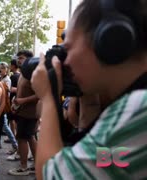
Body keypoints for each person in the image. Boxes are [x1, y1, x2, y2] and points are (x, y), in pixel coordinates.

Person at [32, 0, 147, 179]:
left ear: (109, 40)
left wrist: (48, 97)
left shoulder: (138, 108)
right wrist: (89, 101)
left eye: (68, 48)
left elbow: (53, 175)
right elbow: (101, 163)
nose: (66, 62)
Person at [8, 50, 39, 176]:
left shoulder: (33, 74)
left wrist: (22, 100)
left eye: (21, 58)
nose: (18, 60)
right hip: (23, 112)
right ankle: (36, 166)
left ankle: (23, 167)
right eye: (18, 58)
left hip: (30, 113)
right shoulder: (23, 74)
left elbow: (39, 94)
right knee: (30, 137)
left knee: (22, 138)